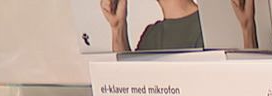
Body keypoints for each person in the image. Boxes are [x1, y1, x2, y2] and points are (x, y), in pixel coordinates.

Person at [103, 0, 258, 52]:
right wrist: (117, 28)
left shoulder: (212, 28)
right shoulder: (151, 35)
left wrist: (247, 28)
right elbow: (128, 89)